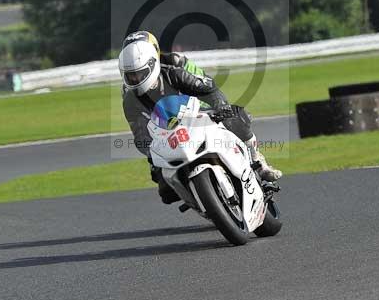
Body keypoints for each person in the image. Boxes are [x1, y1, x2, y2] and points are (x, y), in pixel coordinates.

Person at [118, 30, 282, 204]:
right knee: (165, 191)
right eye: (130, 76)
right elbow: (139, 132)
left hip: (197, 111)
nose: (135, 79)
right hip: (165, 130)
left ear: (153, 62)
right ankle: (195, 197)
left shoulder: (174, 68)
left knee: (236, 117)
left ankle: (258, 161)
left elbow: (208, 87)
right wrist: (152, 150)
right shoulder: (129, 98)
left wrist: (221, 109)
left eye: (139, 73)